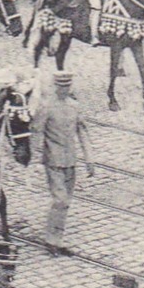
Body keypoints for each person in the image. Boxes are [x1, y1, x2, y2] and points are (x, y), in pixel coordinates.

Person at [33, 71, 94, 256]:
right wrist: (36, 158)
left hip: (71, 161)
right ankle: (51, 240)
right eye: (61, 86)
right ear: (55, 86)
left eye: (67, 86)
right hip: (53, 160)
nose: (64, 90)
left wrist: (89, 159)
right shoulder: (46, 107)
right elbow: (37, 132)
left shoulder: (74, 106)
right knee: (60, 200)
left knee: (65, 202)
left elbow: (82, 132)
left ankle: (57, 239)